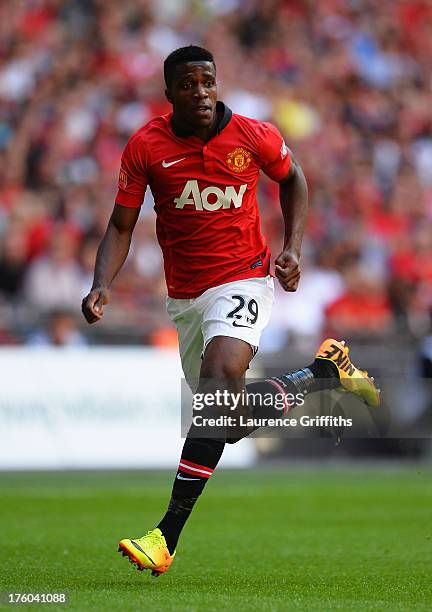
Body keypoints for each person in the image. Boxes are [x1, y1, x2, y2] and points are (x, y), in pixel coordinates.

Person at [81, 46, 380, 577]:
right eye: (189, 84)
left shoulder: (253, 135)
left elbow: (294, 179)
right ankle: (323, 373)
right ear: (169, 92)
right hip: (186, 297)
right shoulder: (146, 145)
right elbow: (121, 225)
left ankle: (164, 535)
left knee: (218, 383)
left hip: (246, 276)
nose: (201, 92)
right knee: (228, 420)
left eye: (208, 82)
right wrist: (101, 283)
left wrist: (293, 248)